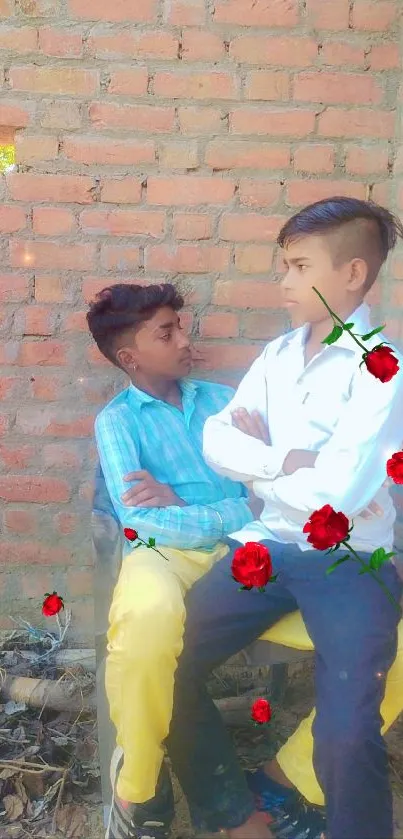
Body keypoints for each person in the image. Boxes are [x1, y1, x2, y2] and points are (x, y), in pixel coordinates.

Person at [87, 268, 393, 839]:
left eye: (181, 327)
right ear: (130, 358)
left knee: (395, 647)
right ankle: (142, 792)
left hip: (256, 550)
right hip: (164, 554)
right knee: (148, 628)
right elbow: (142, 521)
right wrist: (238, 495)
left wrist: (219, 493)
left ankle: (285, 779)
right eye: (166, 333)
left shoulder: (224, 399)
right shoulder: (117, 422)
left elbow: (282, 480)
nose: (185, 341)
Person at [153, 197, 403, 839]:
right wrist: (288, 459)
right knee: (162, 667)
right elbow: (216, 439)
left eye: (298, 265)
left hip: (351, 563)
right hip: (264, 548)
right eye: (282, 265)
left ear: (351, 273)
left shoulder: (383, 369)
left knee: (347, 737)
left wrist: (258, 463)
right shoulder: (276, 356)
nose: (283, 282)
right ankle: (234, 813)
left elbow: (336, 502)